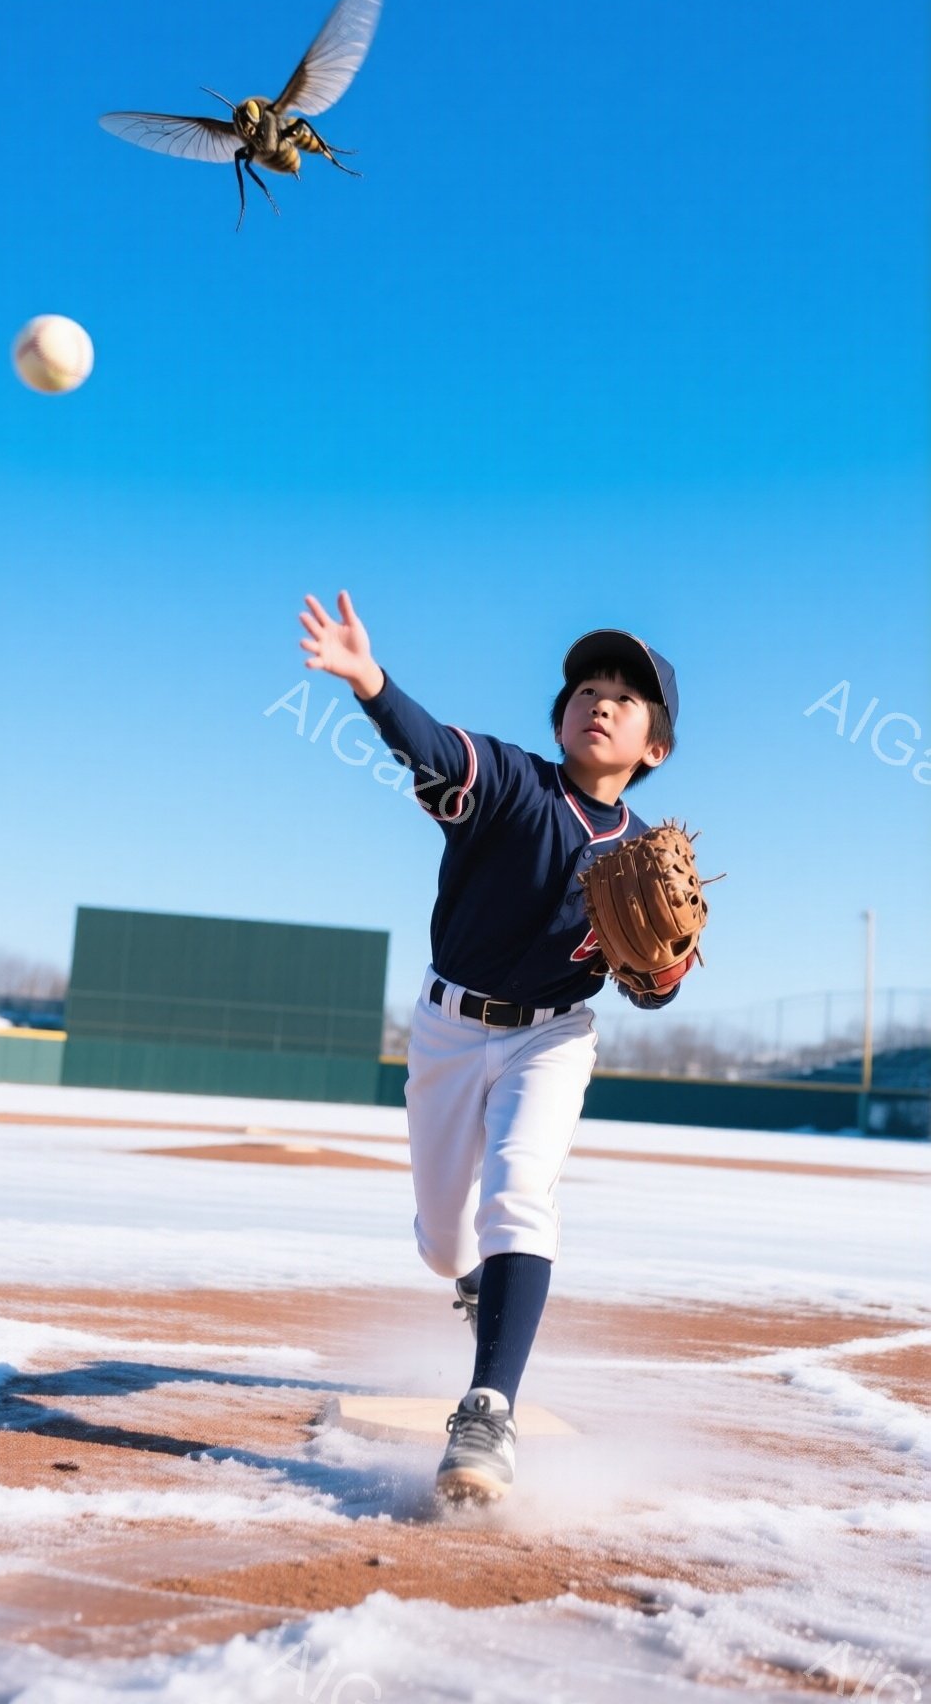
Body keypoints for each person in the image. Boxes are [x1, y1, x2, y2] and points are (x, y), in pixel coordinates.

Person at [298, 589, 694, 1503]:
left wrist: (663, 971)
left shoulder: (648, 857)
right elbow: (434, 749)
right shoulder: (512, 784)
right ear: (559, 718)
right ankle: (478, 1282)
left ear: (655, 748)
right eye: (587, 690)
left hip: (551, 1038)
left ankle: (488, 1410)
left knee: (518, 1195)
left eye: (625, 698)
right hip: (448, 1025)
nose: (601, 704)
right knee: (443, 1244)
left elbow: (656, 990)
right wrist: (371, 683)